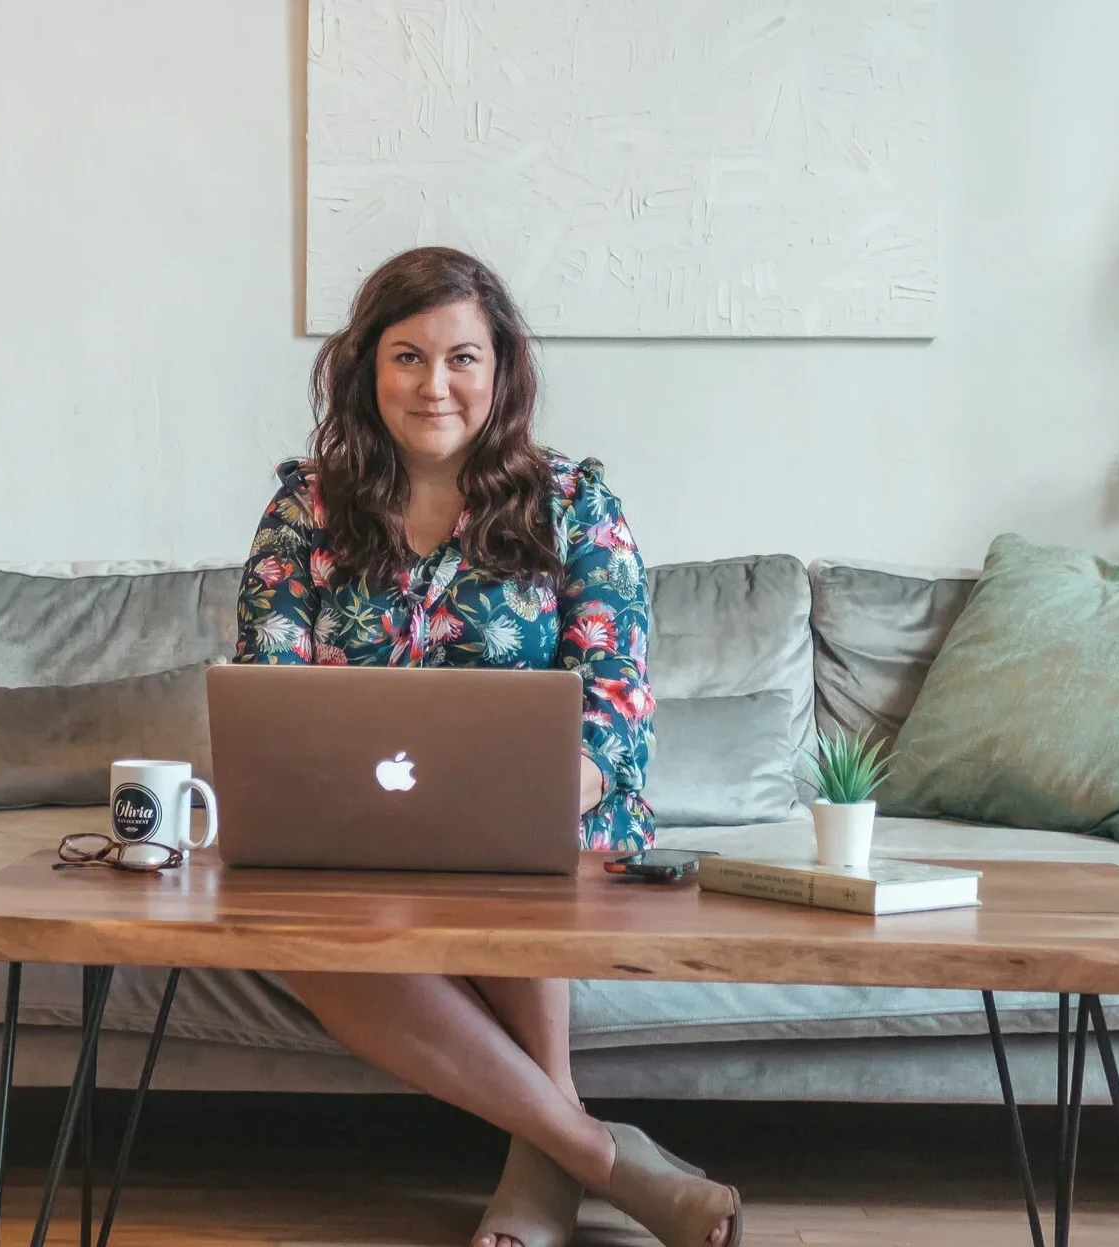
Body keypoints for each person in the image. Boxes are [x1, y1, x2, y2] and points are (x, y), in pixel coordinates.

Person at [233, 246, 741, 1247]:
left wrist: (567, 775)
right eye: (406, 357)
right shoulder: (303, 509)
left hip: (551, 823)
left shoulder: (572, 499)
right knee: (301, 935)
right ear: (364, 369)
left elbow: (616, 694)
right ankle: (590, 1152)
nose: (434, 385)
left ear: (500, 368)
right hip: (351, 833)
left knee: (514, 856)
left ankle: (542, 1159)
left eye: (461, 357)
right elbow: (265, 687)